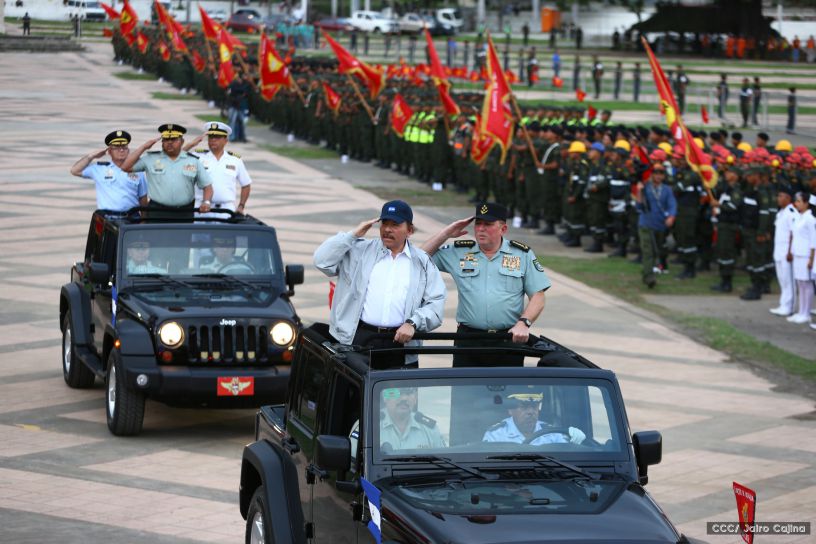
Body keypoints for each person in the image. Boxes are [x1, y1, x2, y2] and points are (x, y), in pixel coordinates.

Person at [313, 200, 446, 367]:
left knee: (399, 392)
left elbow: (436, 303)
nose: (388, 229)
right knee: (356, 391)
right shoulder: (359, 251)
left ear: (410, 230)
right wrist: (352, 235)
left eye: (395, 224)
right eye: (384, 223)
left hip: (400, 342)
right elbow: (321, 261)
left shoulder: (422, 262)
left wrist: (413, 322)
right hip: (359, 338)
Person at [421, 203, 551, 367]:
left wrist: (524, 323)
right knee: (466, 391)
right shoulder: (459, 252)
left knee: (507, 391)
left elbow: (538, 296)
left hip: (507, 339)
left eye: (488, 224)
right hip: (468, 340)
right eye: (478, 224)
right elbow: (420, 259)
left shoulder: (521, 254)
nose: (481, 229)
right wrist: (446, 233)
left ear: (503, 229)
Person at [121, 124, 214, 217]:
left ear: (182, 141)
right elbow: (125, 167)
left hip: (184, 212)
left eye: (173, 139)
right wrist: (144, 147)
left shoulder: (193, 161)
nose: (169, 142)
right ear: (162, 142)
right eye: (166, 139)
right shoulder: (150, 159)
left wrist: (206, 202)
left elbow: (207, 186)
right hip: (157, 212)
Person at [70, 130, 148, 212]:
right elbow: (75, 171)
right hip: (107, 218)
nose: (121, 150)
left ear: (128, 150)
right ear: (109, 151)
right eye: (117, 147)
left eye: (124, 147)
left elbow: (143, 198)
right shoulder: (100, 169)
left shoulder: (137, 170)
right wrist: (91, 156)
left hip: (131, 218)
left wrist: (143, 220)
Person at [185, 122, 252, 214]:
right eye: (211, 137)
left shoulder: (235, 160)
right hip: (201, 208)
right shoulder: (198, 157)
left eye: (217, 137)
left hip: (226, 209)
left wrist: (241, 205)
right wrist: (191, 144)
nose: (213, 140)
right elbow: (176, 158)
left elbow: (246, 184)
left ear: (225, 140)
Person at [483, 391, 586, 445]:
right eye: (524, 407)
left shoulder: (551, 432)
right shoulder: (496, 435)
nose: (531, 412)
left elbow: (566, 456)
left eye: (534, 407)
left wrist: (574, 441)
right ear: (510, 410)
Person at [636, 160, 677, 289]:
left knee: (655, 251)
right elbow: (639, 206)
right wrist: (639, 192)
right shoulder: (645, 188)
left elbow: (672, 204)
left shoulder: (667, 190)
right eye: (656, 173)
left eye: (661, 173)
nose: (658, 176)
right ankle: (649, 277)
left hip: (660, 224)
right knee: (647, 251)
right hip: (646, 223)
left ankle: (648, 271)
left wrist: (671, 216)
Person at [379, 387, 445, 451]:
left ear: (415, 398)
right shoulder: (372, 426)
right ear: (385, 396)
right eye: (398, 392)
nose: (404, 398)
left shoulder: (430, 430)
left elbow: (442, 459)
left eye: (409, 393)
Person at [786, 192, 815, 325]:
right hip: (797, 254)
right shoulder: (799, 217)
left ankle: (806, 313)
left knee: (807, 284)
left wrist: (811, 258)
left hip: (805, 255)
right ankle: (801, 311)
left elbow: (813, 240)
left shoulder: (810, 219)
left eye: (798, 201)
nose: (796, 203)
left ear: (806, 203)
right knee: (800, 284)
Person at [770, 187, 797, 316]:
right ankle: (783, 304)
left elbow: (793, 233)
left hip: (787, 251)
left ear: (788, 198)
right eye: (778, 196)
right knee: (782, 279)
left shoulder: (791, 212)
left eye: (781, 196)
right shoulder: (781, 212)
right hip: (778, 250)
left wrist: (790, 251)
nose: (778, 199)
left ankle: (789, 306)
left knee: (788, 280)